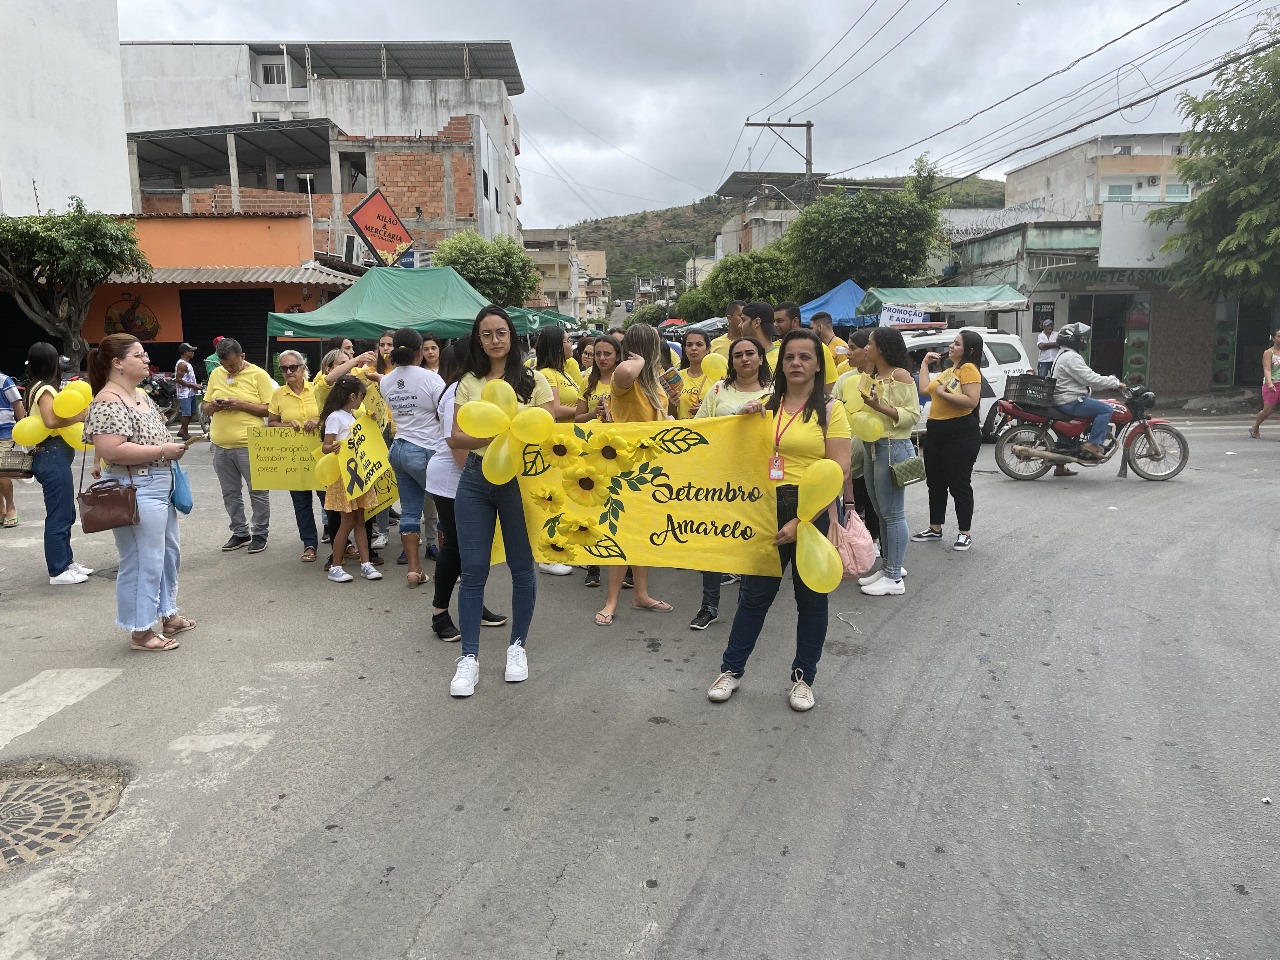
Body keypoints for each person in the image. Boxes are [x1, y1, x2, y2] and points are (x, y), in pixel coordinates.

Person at [706, 329, 851, 712]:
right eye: (790, 357)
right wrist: (746, 421)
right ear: (781, 363)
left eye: (805, 357)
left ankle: (804, 679)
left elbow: (839, 469)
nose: (797, 364)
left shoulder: (832, 410)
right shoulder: (767, 406)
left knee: (811, 601)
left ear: (818, 364)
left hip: (811, 511)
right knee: (753, 598)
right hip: (766, 510)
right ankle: (731, 671)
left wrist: (803, 520)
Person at [448, 305, 554, 698]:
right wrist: (491, 439)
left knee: (522, 567)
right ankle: (469, 658)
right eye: (487, 333)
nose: (495, 340)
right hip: (476, 480)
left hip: (522, 483)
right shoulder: (468, 382)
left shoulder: (534, 380)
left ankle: (517, 647)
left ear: (513, 336)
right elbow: (456, 437)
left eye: (502, 332)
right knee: (473, 569)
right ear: (478, 339)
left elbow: (546, 431)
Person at [83, 334, 193, 650]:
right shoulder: (107, 400)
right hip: (136, 488)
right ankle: (141, 630)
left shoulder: (140, 395)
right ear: (117, 363)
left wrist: (168, 450)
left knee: (167, 554)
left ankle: (167, 614)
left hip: (159, 484)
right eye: (138, 355)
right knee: (142, 560)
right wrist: (162, 449)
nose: (146, 359)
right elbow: (111, 450)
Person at [688, 336, 773, 630]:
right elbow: (699, 429)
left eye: (750, 353)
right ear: (731, 361)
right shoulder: (717, 390)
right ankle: (708, 606)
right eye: (738, 355)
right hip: (718, 479)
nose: (744, 359)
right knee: (713, 541)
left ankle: (746, 608)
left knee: (750, 543)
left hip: (757, 481)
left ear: (761, 358)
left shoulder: (775, 393)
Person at [593, 323, 673, 627]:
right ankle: (611, 600)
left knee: (643, 534)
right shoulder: (627, 373)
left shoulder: (652, 383)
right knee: (621, 535)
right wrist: (638, 358)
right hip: (625, 470)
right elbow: (624, 373)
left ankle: (641, 594)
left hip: (650, 469)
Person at [426, 342, 507, 640]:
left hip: (467, 480)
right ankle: (439, 614)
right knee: (456, 548)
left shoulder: (471, 388)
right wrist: (482, 485)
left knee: (475, 550)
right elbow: (457, 446)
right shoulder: (456, 394)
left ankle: (473, 604)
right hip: (452, 480)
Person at [851, 327, 920, 597]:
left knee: (893, 513)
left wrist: (879, 407)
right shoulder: (873, 376)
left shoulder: (900, 375)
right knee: (880, 511)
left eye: (869, 343)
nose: (866, 347)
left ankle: (894, 578)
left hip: (892, 446)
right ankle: (890, 566)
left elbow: (912, 415)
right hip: (872, 447)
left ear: (881, 347)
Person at [381, 328, 446, 589]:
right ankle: (447, 567)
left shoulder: (386, 381)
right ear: (420, 351)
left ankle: (413, 570)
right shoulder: (431, 379)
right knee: (446, 508)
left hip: (398, 449)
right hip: (426, 449)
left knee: (409, 510)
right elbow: (445, 415)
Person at [913, 330, 984, 552]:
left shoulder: (969, 369)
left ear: (969, 350)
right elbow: (925, 389)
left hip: (960, 434)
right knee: (935, 483)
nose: (951, 347)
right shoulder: (950, 370)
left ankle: (965, 533)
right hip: (936, 432)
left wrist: (943, 395)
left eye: (957, 344)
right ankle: (935, 528)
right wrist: (924, 363)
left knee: (958, 484)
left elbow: (971, 401)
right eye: (952, 343)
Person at [203, 337, 275, 554]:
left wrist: (239, 404)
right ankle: (240, 532)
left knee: (258, 491)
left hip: (249, 443)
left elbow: (271, 410)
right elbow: (205, 406)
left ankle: (260, 533)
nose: (230, 370)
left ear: (243, 357)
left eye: (233, 365)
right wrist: (213, 407)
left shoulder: (259, 375)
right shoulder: (216, 374)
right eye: (225, 366)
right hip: (221, 444)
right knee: (230, 493)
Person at [25, 343, 90, 584]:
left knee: (65, 511)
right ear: (52, 363)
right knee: (59, 514)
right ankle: (59, 569)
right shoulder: (44, 390)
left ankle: (67, 561)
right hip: (51, 454)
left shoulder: (35, 387)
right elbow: (51, 421)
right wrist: (80, 416)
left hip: (52, 454)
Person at [319, 376, 383, 583]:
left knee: (361, 520)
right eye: (361, 397)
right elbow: (326, 445)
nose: (361, 402)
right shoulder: (335, 417)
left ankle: (366, 563)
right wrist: (334, 447)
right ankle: (336, 566)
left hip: (358, 474)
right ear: (352, 396)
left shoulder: (351, 416)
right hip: (344, 476)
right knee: (346, 522)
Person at [266, 350, 322, 563]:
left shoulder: (316, 390)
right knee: (301, 503)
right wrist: (287, 425)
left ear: (303, 367)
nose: (288, 372)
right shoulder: (278, 394)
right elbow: (271, 422)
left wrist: (318, 421)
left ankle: (340, 540)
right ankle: (309, 544)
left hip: (320, 456)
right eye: (284, 368)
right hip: (294, 457)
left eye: (293, 367)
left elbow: (330, 416)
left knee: (329, 500)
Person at [832, 330, 880, 553]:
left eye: (853, 348)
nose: (847, 353)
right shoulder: (844, 379)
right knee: (852, 497)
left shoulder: (882, 379)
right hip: (848, 448)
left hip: (875, 447)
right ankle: (854, 540)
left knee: (874, 498)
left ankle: (875, 541)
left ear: (867, 351)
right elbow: (834, 409)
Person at [1050, 323, 1124, 460]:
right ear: (1071, 339)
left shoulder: (1063, 354)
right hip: (1070, 400)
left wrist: (1105, 383)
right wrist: (1115, 383)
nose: (1083, 340)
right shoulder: (1071, 357)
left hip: (1064, 398)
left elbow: (1083, 379)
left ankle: (1060, 465)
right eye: (1080, 338)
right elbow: (1090, 378)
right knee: (1106, 409)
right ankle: (1093, 444)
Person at [770, 302, 839, 391]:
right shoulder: (771, 348)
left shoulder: (818, 347)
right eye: (789, 357)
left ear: (795, 321)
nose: (775, 324)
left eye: (780, 321)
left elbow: (830, 384)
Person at [0, 367, 28, 528]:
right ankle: (1, 509)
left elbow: (17, 404)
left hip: (4, 433)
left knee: (3, 472)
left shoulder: (4, 380)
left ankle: (11, 508)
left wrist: (23, 428)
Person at [672, 330, 712, 419]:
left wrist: (704, 411)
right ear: (684, 349)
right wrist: (671, 405)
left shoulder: (717, 378)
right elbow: (670, 415)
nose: (693, 348)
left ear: (708, 348)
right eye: (689, 345)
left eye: (699, 344)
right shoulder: (677, 377)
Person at [1250, 328, 1280, 439]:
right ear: (1273, 338)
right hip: (1272, 384)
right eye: (1279, 336)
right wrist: (1270, 383)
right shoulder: (1268, 352)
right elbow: (1267, 369)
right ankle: (1256, 426)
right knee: (1268, 410)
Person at [174, 343, 200, 440]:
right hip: (184, 393)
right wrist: (193, 385)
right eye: (191, 351)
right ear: (185, 352)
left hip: (191, 392)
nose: (193, 353)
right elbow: (178, 380)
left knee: (193, 412)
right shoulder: (182, 364)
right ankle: (185, 433)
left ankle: (182, 430)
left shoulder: (187, 364)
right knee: (186, 413)